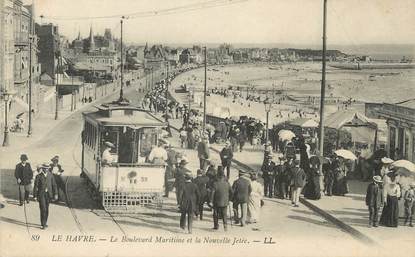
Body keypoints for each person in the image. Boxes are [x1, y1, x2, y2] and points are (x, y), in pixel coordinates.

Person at [33, 163, 58, 229]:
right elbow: (36, 187)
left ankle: (45, 222)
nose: (46, 170)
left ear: (48, 168)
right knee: (43, 209)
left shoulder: (51, 175)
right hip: (41, 195)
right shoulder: (38, 176)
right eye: (44, 168)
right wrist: (35, 196)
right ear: (42, 169)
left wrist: (55, 194)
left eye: (47, 168)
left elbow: (54, 185)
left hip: (48, 195)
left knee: (47, 209)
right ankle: (43, 224)